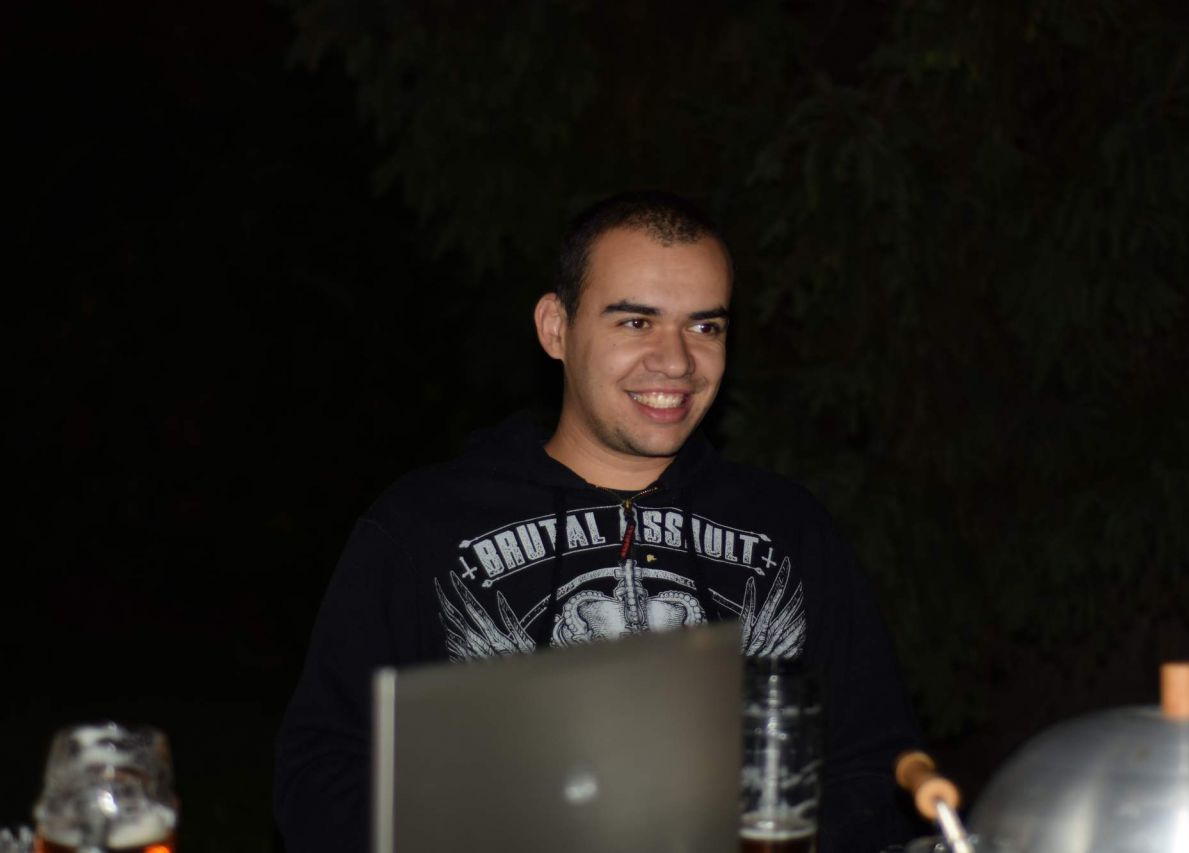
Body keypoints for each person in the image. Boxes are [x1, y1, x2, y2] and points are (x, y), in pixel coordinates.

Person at [274, 191, 922, 853]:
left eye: (705, 327)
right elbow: (321, 775)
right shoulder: (423, 526)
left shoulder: (789, 528)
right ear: (556, 328)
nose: (677, 361)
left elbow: (877, 762)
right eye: (636, 322)